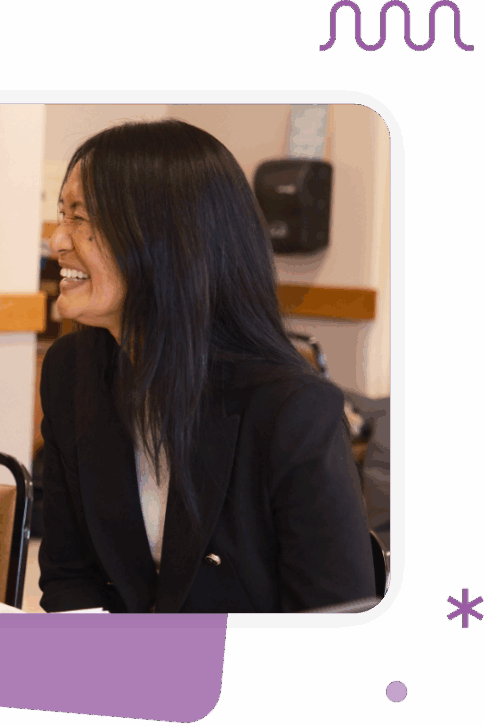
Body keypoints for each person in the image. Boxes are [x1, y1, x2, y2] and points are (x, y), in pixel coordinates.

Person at [37, 119, 376, 613]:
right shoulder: (71, 371)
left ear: (165, 237)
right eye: (61, 214)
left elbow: (336, 605)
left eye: (80, 217)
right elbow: (69, 576)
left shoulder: (292, 410)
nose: (58, 240)